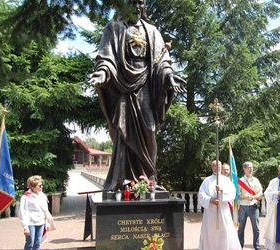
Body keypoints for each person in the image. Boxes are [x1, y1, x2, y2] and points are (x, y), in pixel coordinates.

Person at [88, 0, 186, 191]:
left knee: (149, 131)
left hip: (146, 89)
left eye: (140, 2)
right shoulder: (114, 28)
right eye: (133, 2)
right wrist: (102, 73)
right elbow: (106, 58)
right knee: (123, 133)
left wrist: (169, 77)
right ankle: (125, 182)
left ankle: (148, 180)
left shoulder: (152, 31)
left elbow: (162, 63)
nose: (137, 6)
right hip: (122, 89)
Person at [198, 160, 241, 250]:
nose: (216, 168)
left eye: (218, 167)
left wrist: (222, 191)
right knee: (210, 232)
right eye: (214, 166)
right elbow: (201, 194)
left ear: (221, 168)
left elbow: (232, 194)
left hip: (223, 209)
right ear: (211, 167)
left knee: (225, 230)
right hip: (210, 211)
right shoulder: (207, 180)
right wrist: (211, 200)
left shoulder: (226, 180)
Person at [18, 175, 53, 250]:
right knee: (30, 244)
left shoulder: (43, 195)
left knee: (37, 243)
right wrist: (25, 227)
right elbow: (22, 212)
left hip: (41, 222)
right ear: (33, 187)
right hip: (30, 223)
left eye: (41, 185)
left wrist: (47, 223)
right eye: (39, 185)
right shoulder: (26, 197)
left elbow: (46, 210)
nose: (41, 187)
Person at [237, 161, 263, 250]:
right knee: (241, 228)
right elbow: (237, 195)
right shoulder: (240, 181)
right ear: (244, 169)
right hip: (243, 207)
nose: (251, 169)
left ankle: (257, 245)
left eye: (252, 167)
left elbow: (260, 193)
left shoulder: (256, 180)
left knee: (256, 228)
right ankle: (240, 245)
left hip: (253, 206)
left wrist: (254, 197)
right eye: (248, 167)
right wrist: (245, 197)